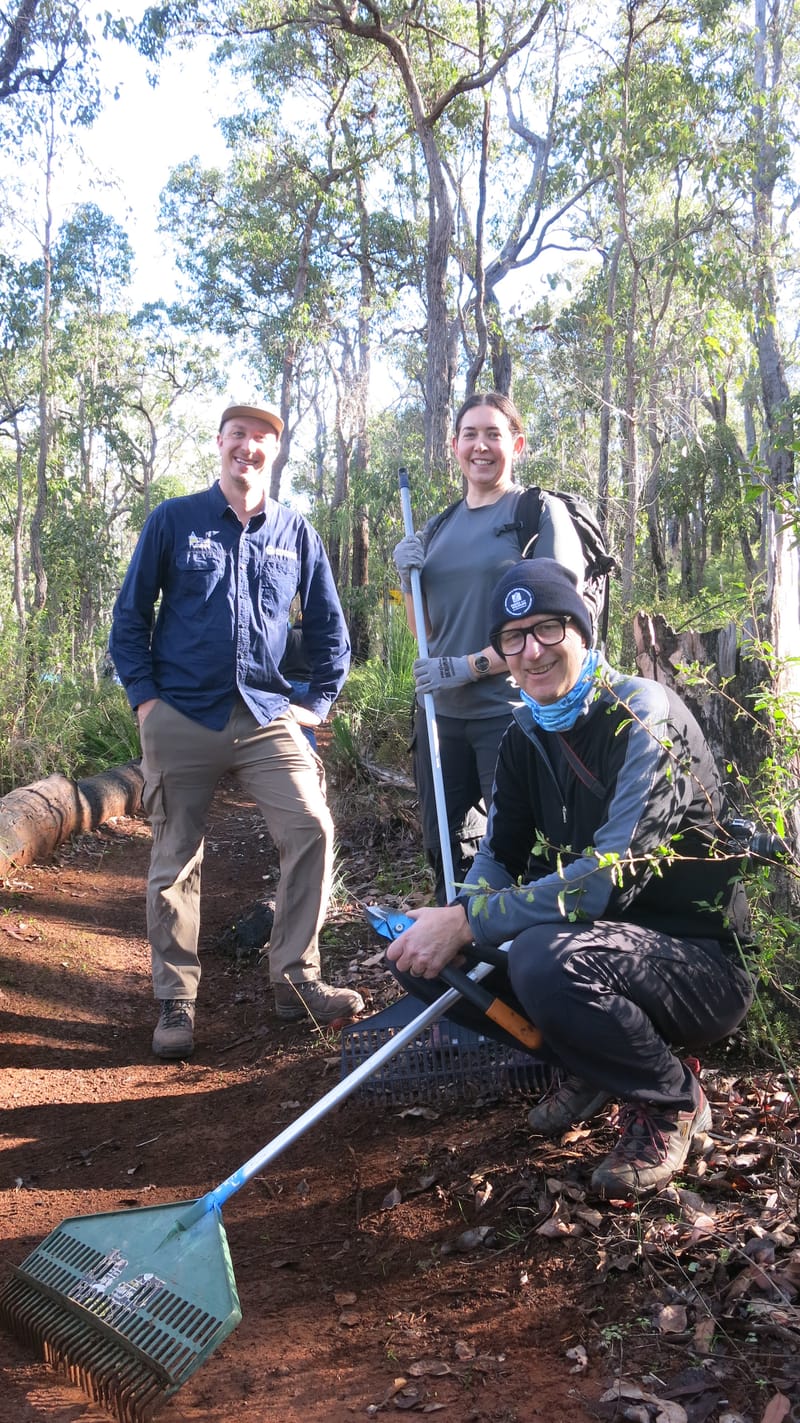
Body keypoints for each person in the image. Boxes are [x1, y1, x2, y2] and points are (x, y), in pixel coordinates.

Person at [386, 559, 754, 1196]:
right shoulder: (526, 731)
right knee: (415, 953)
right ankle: (593, 1064)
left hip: (698, 966)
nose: (532, 651)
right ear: (500, 652)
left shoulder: (643, 719)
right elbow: (498, 853)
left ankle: (672, 1098)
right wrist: (458, 916)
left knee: (540, 959)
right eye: (514, 637)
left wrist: (471, 921)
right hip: (599, 946)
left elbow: (600, 884)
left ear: (583, 631)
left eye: (550, 629)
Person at [109, 400, 365, 1059]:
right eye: (239, 435)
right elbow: (130, 620)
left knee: (311, 825)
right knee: (176, 856)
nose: (249, 448)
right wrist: (147, 705)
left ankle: (296, 981)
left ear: (275, 453)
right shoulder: (175, 520)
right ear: (220, 443)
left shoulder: (295, 532)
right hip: (183, 714)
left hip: (266, 715)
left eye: (262, 439)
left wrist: (317, 703)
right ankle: (176, 1001)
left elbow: (333, 632)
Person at [392, 391, 585, 905]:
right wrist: (409, 576)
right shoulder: (436, 526)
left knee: (519, 853)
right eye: (470, 435)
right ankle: (457, 965)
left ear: (516, 445)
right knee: (446, 851)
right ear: (454, 445)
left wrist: (469, 666)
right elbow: (426, 630)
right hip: (439, 716)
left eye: (493, 434)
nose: (481, 446)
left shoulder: (535, 514)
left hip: (512, 715)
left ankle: (519, 972)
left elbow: (556, 624)